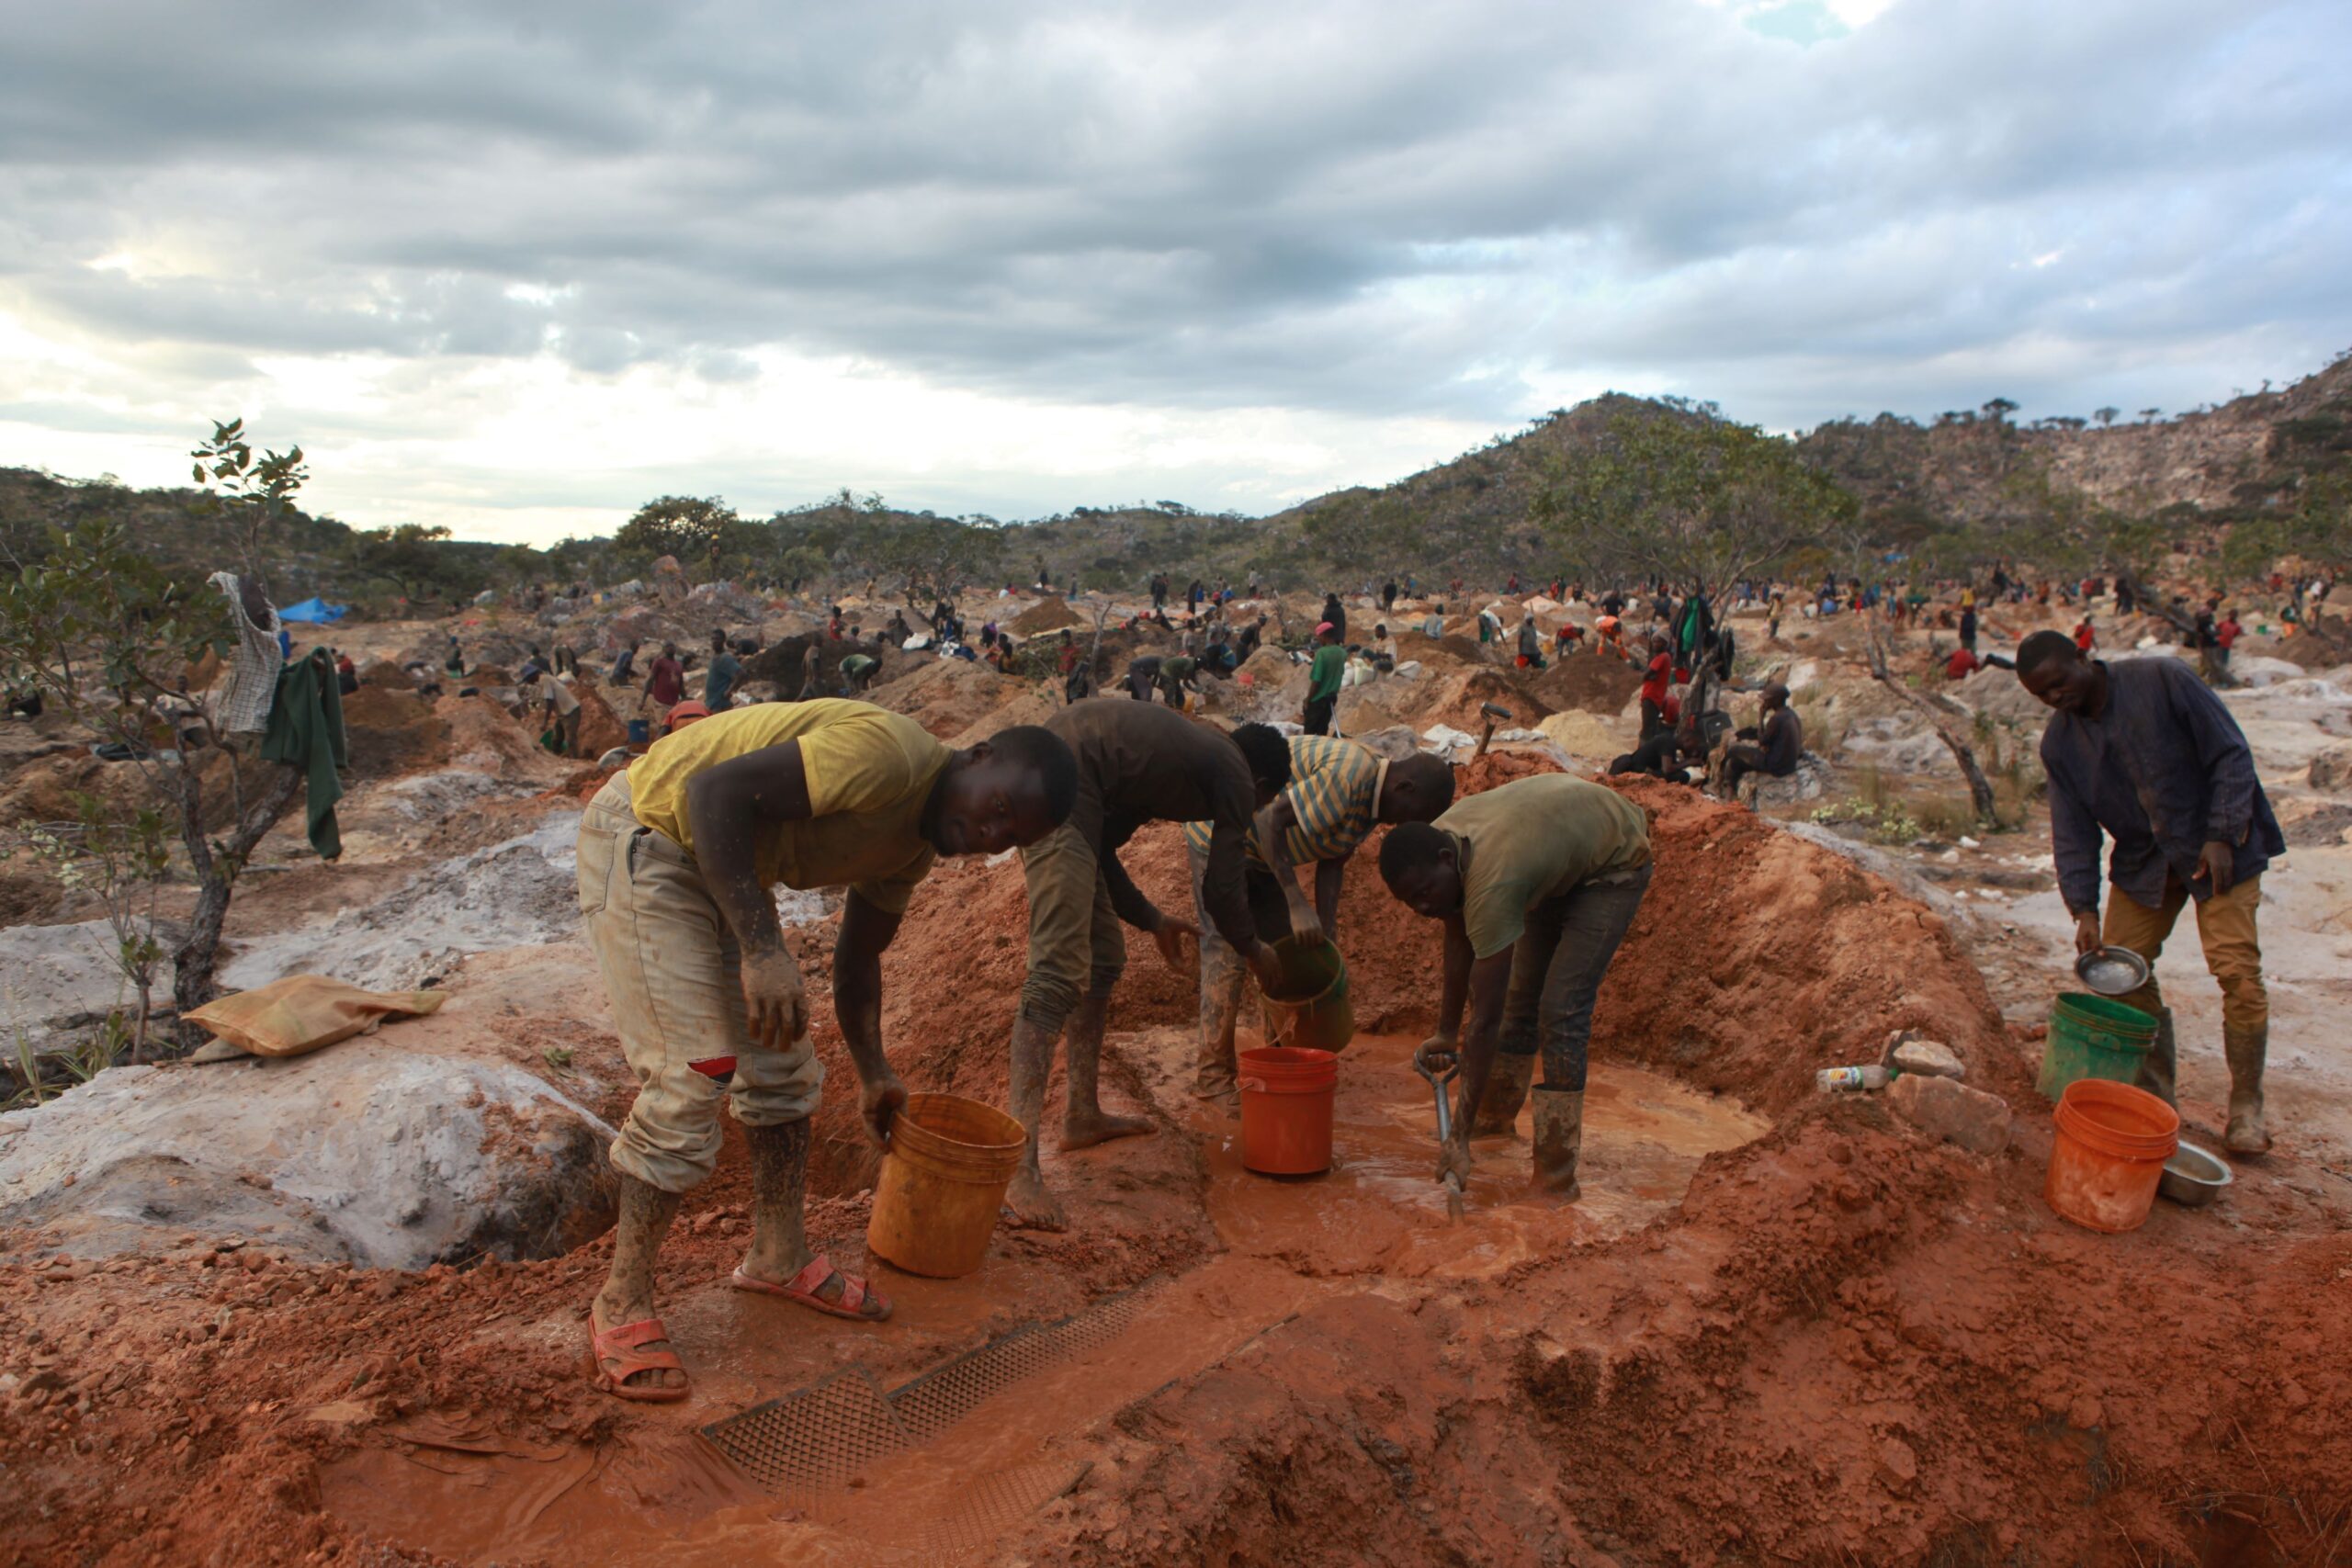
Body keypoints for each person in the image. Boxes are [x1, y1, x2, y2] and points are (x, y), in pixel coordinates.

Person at [576, 702, 1080, 1398]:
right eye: (997, 807)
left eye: (1007, 835)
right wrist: (760, 947)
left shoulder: (913, 849)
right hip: (650, 836)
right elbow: (712, 793)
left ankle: (778, 1256)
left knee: (782, 1068)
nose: (987, 833)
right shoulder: (889, 758)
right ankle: (622, 1299)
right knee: (695, 1070)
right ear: (979, 753)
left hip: (723, 865)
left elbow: (858, 957)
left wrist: (874, 1072)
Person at [1004, 705, 1294, 1228]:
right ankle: (1015, 1168)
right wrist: (1255, 949)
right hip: (1051, 788)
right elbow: (1222, 892)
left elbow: (1102, 850)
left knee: (1104, 956)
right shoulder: (1230, 769)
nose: (1250, 813)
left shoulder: (1167, 766)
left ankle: (1082, 1113)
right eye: (1261, 803)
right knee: (1055, 974)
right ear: (1261, 782)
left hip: (1067, 787)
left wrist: (1152, 918)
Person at [2016, 631, 2283, 1155]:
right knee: (2116, 969)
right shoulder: (2061, 745)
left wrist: (2223, 834)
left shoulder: (2163, 679)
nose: (2055, 698)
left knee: (2236, 972)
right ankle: (2160, 1098)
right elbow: (2072, 832)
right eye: (2041, 695)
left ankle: (2247, 1107)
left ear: (2083, 656)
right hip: (2146, 862)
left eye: (2059, 683)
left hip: (2219, 847)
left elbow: (2230, 754)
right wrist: (2084, 908)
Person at [1377, 773, 1652, 1196]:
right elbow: (1456, 931)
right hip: (1553, 853)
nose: (1423, 907)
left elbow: (1485, 1020)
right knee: (1522, 999)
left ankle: (1556, 1180)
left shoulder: (1493, 883)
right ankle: (1494, 1124)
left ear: (1446, 860)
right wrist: (1446, 1031)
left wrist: (1458, 1136)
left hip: (1612, 862)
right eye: (1411, 902)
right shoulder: (1444, 845)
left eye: (1426, 892)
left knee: (1561, 1010)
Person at [1183, 745, 1455, 1101]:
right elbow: (1269, 822)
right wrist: (1296, 902)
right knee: (1228, 951)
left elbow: (1333, 858)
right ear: (1405, 788)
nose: (1407, 825)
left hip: (1260, 852)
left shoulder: (1371, 805)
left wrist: (1327, 927)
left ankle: (1279, 1063)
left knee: (1282, 955)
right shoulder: (1350, 778)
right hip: (1219, 833)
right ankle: (1214, 1081)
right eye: (1415, 814)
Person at [1718, 682, 1801, 798]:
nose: (1765, 702)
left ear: (1777, 700)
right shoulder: (1792, 715)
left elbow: (1762, 741)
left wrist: (1761, 716)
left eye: (1768, 699)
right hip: (1789, 765)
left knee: (1734, 750)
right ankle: (1729, 795)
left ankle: (1717, 782)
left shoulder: (1776, 718)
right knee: (1734, 763)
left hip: (1775, 765)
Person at [1609, 722, 1701, 784]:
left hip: (1641, 769)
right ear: (1687, 740)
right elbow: (1667, 769)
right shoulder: (1668, 741)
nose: (1693, 749)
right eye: (1693, 745)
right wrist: (1688, 763)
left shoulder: (1669, 741)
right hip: (1635, 771)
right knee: (1683, 776)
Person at [528, 666, 582, 757]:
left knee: (570, 738)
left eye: (527, 679)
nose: (528, 682)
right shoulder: (545, 679)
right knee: (557, 737)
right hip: (563, 712)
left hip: (570, 711)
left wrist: (545, 722)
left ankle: (575, 758)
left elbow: (549, 700)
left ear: (532, 676)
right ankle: (557, 756)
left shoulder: (544, 679)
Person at [1304, 622, 1345, 736]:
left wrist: (1308, 699)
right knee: (1322, 731)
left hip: (1318, 699)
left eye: (1319, 638)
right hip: (1331, 698)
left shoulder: (1322, 654)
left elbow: (1316, 681)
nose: (1319, 641)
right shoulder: (1342, 652)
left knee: (1309, 734)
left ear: (1324, 636)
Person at [1637, 636, 1675, 738]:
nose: (1655, 644)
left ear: (1665, 644)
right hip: (1654, 697)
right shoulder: (1664, 657)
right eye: (1653, 642)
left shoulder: (1662, 657)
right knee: (1649, 728)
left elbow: (1645, 675)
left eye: (1658, 642)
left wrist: (1646, 676)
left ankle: (1644, 752)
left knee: (1647, 730)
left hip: (1651, 697)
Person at [642, 642, 685, 719]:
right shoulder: (659, 662)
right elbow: (651, 680)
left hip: (674, 703)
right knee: (663, 726)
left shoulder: (679, 665)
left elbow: (681, 684)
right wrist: (643, 700)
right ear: (663, 649)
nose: (670, 648)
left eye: (672, 646)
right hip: (660, 702)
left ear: (675, 649)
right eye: (668, 646)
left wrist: (685, 700)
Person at [705, 637, 745, 713]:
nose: (714, 641)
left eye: (717, 638)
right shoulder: (715, 657)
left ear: (723, 641)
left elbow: (741, 673)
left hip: (719, 704)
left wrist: (729, 690)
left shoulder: (725, 658)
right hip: (712, 703)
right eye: (713, 639)